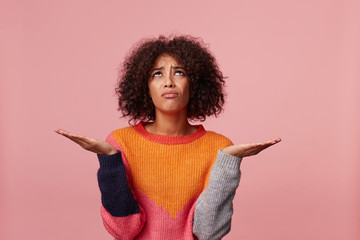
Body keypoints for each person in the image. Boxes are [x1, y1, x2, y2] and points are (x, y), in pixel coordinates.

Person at [55, 35, 281, 240]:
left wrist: (229, 161)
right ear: (145, 87)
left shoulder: (218, 147)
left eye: (179, 72)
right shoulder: (121, 142)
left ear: (195, 84)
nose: (169, 81)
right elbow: (124, 231)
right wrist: (109, 160)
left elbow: (208, 233)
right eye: (157, 74)